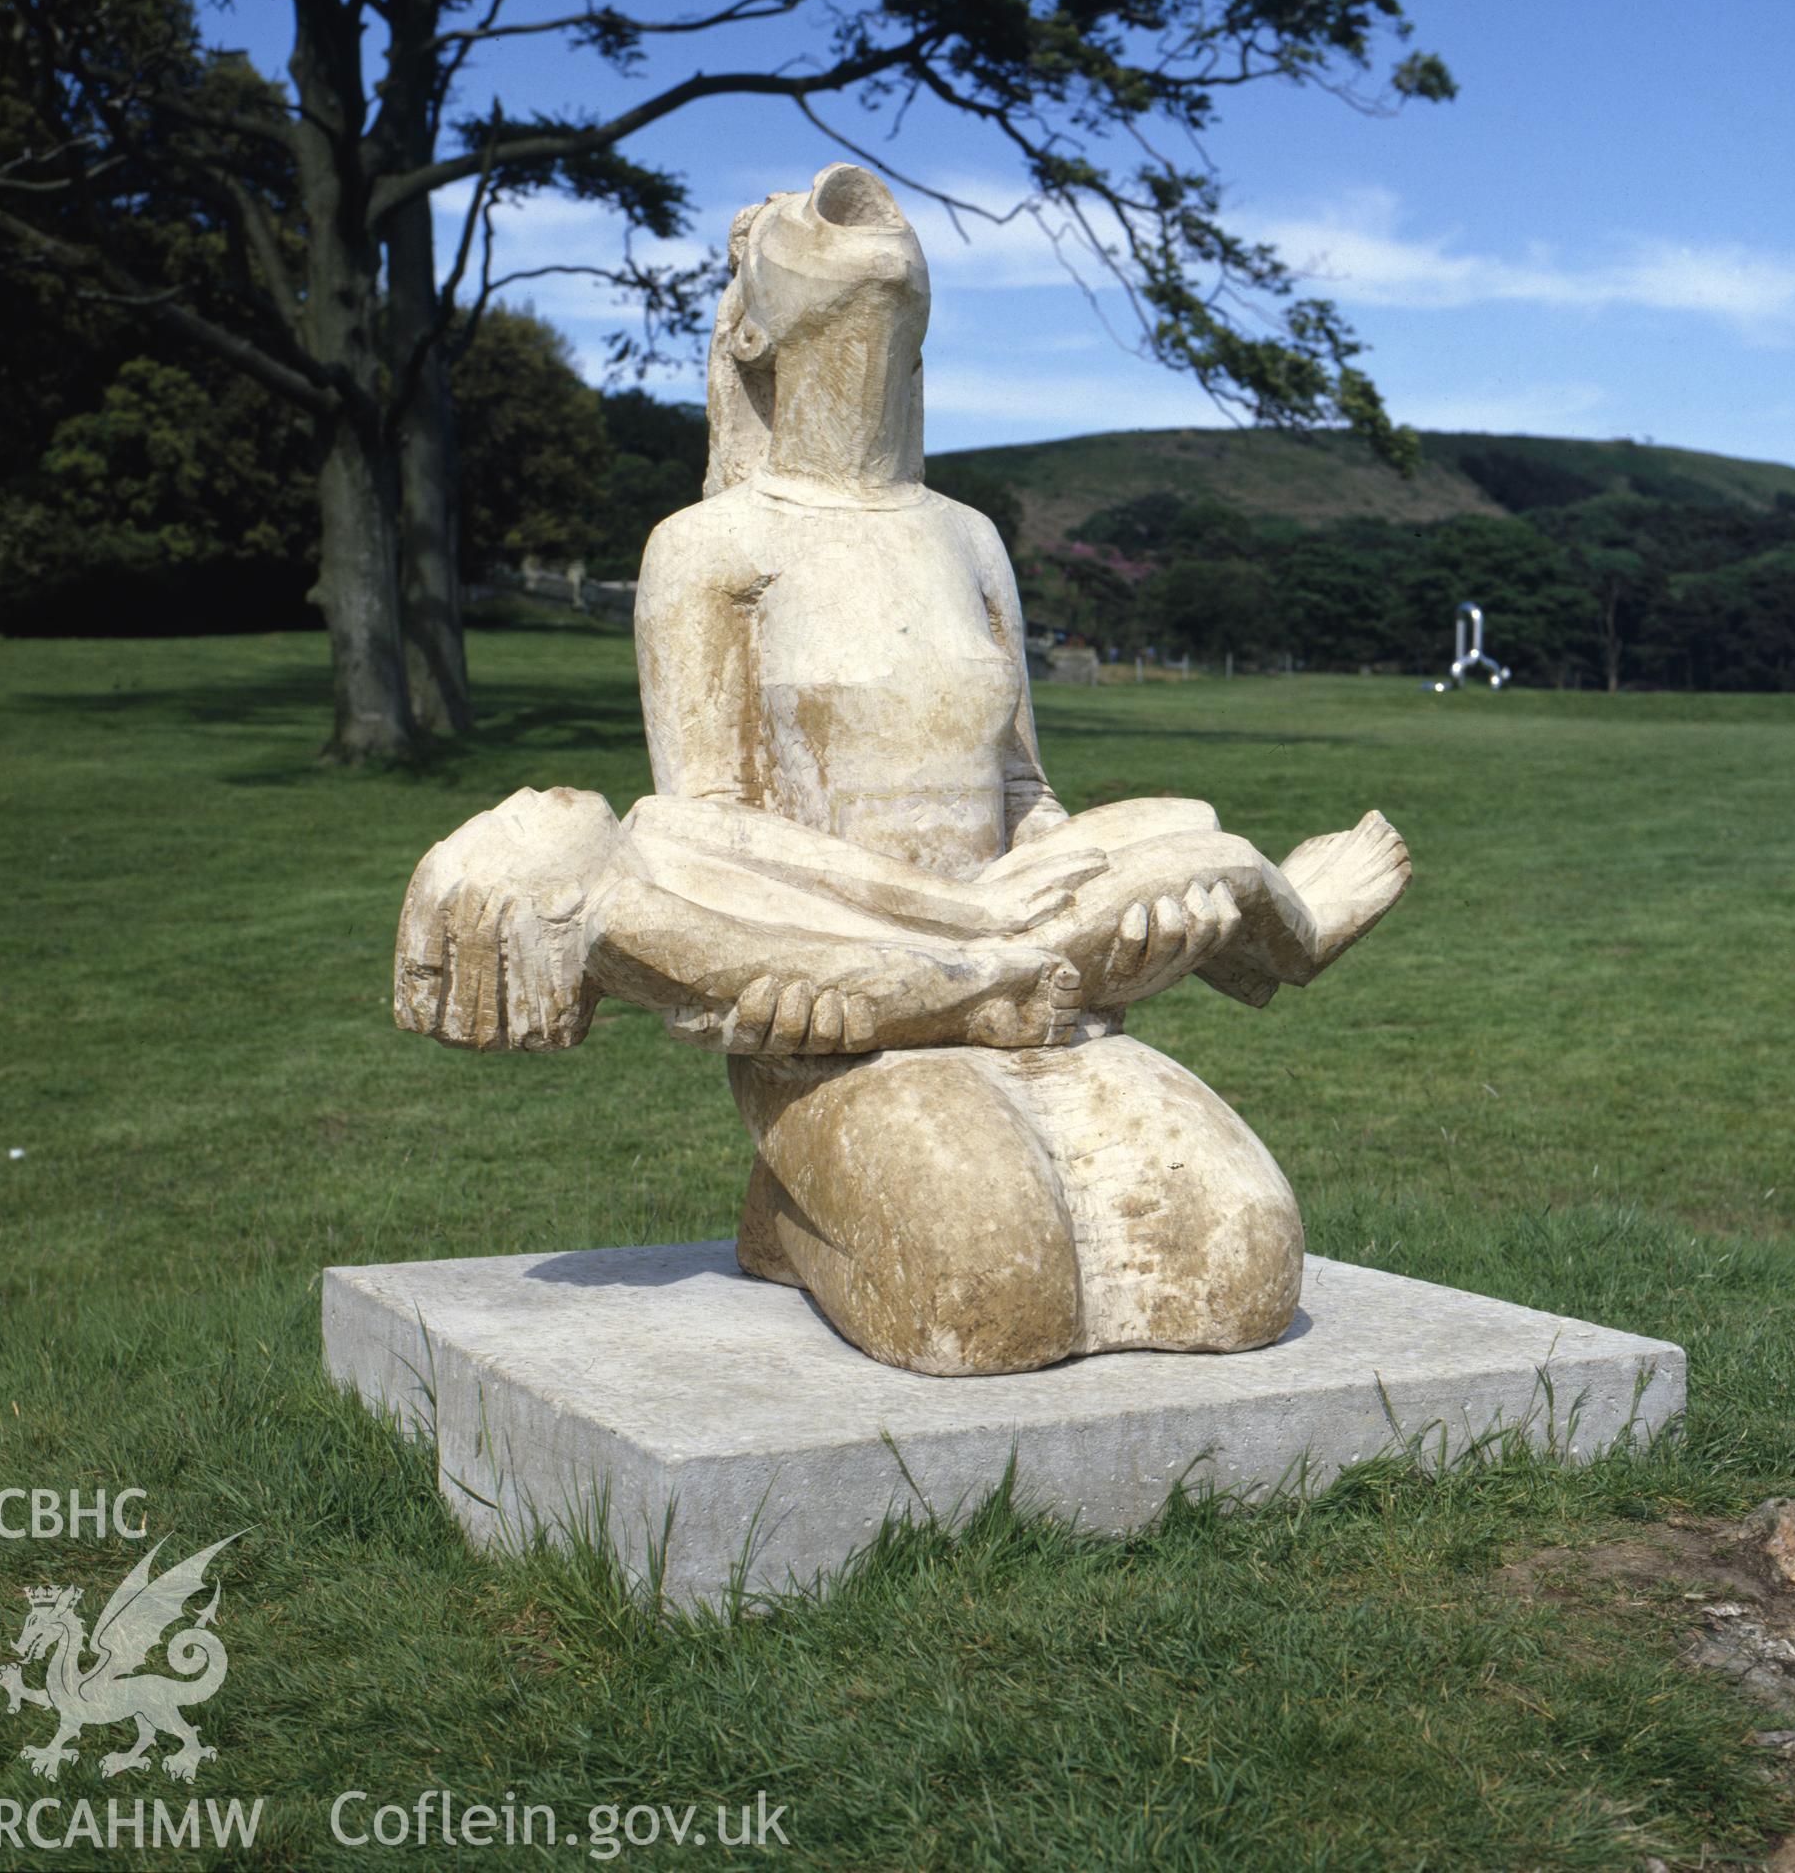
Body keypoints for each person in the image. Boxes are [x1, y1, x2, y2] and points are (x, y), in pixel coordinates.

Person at [395, 164, 1410, 1376]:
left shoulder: (966, 537)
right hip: (837, 1013)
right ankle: (800, 1211)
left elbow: (1028, 796)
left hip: (1045, 981)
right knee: (992, 1294)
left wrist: (1119, 911)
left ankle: (1260, 921)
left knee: (1232, 1267)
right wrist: (932, 953)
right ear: (753, 325)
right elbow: (705, 837)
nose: (846, 206)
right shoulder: (712, 549)